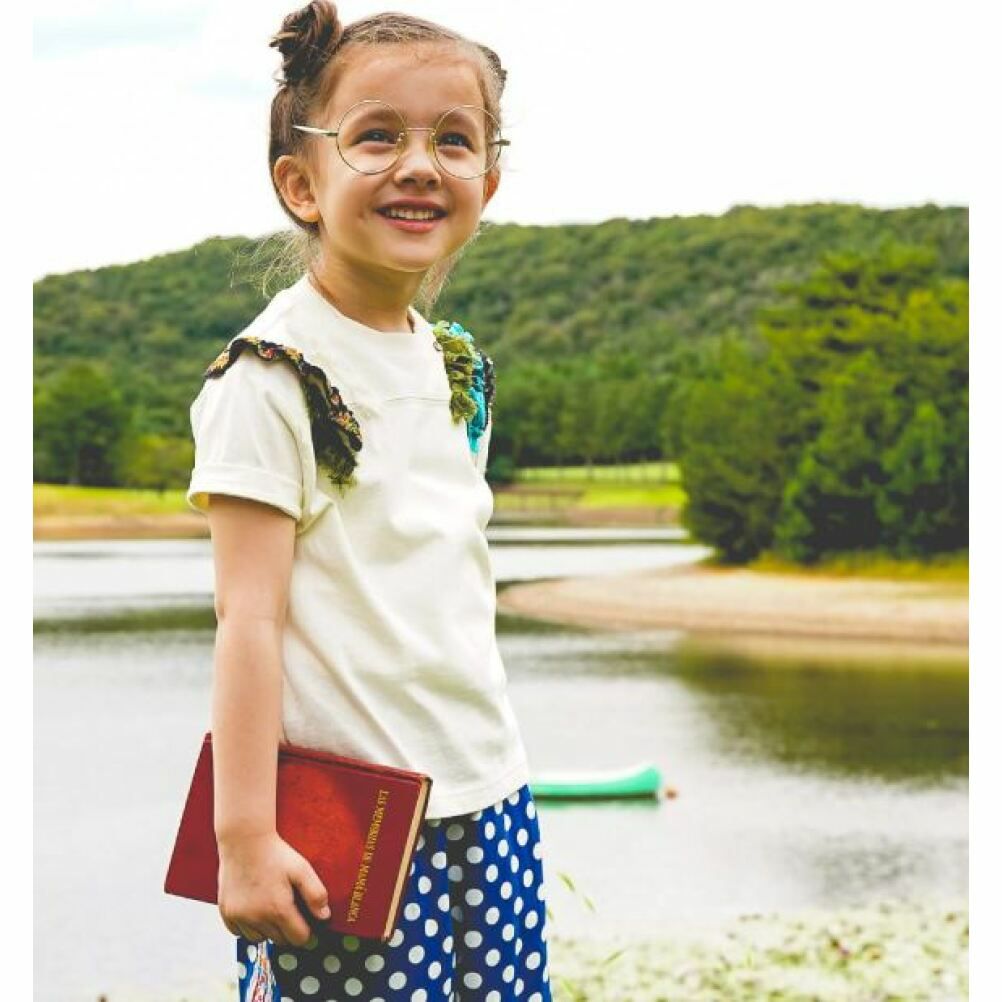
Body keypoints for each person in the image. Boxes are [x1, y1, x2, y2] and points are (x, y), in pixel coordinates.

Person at [184, 2, 552, 1000]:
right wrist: (244, 837)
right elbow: (247, 621)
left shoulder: (457, 365)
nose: (420, 165)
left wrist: (495, 786)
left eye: (454, 140)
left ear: (489, 181)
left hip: (490, 797)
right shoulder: (271, 378)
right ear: (302, 183)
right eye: (378, 136)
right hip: (350, 821)